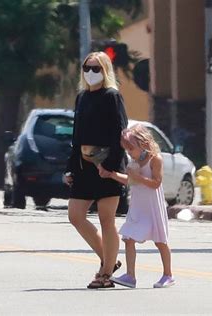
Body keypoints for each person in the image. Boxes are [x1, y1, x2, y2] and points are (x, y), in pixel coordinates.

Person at [64, 51, 128, 289]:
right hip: (83, 165)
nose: (91, 73)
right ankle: (109, 261)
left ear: (106, 71)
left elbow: (120, 133)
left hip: (106, 166)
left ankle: (106, 274)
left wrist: (110, 167)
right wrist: (70, 167)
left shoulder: (112, 96)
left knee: (106, 219)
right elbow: (76, 135)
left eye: (96, 68)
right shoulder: (81, 97)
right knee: (75, 215)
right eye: (87, 68)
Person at [102, 124, 175, 288]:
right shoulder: (134, 162)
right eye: (127, 150)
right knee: (128, 238)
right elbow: (131, 181)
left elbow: (156, 183)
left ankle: (168, 275)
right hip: (137, 206)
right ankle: (130, 275)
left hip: (152, 206)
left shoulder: (155, 159)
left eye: (131, 149)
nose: (129, 153)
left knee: (160, 241)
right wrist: (112, 175)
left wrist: (137, 177)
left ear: (143, 143)